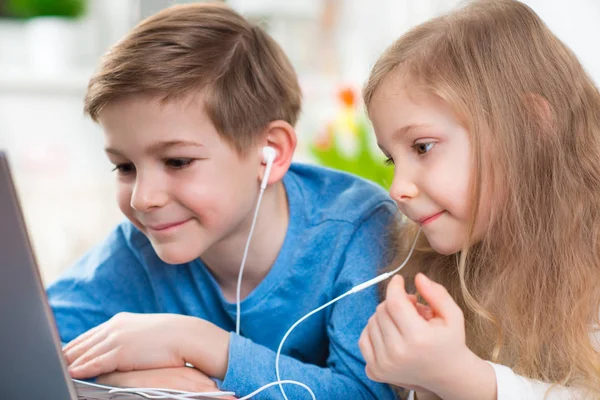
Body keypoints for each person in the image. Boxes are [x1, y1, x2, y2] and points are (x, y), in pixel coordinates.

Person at [46, 3, 398, 399]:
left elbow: (368, 395)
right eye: (124, 167)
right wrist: (124, 381)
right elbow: (28, 347)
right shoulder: (138, 249)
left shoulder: (358, 231)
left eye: (177, 161)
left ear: (271, 152)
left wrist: (203, 346)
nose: (144, 199)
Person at [357, 0, 600, 399]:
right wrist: (424, 381)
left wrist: (461, 378)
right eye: (391, 158)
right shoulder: (439, 268)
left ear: (530, 127)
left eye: (422, 147)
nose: (398, 187)